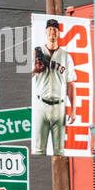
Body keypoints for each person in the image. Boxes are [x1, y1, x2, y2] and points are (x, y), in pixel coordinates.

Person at [32, 18, 75, 156]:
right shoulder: (38, 52)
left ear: (59, 33)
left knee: (59, 152)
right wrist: (35, 70)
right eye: (50, 29)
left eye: (55, 29)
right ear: (46, 31)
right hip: (41, 105)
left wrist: (73, 109)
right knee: (39, 150)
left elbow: (71, 84)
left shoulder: (66, 56)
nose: (52, 32)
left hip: (59, 106)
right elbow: (25, 75)